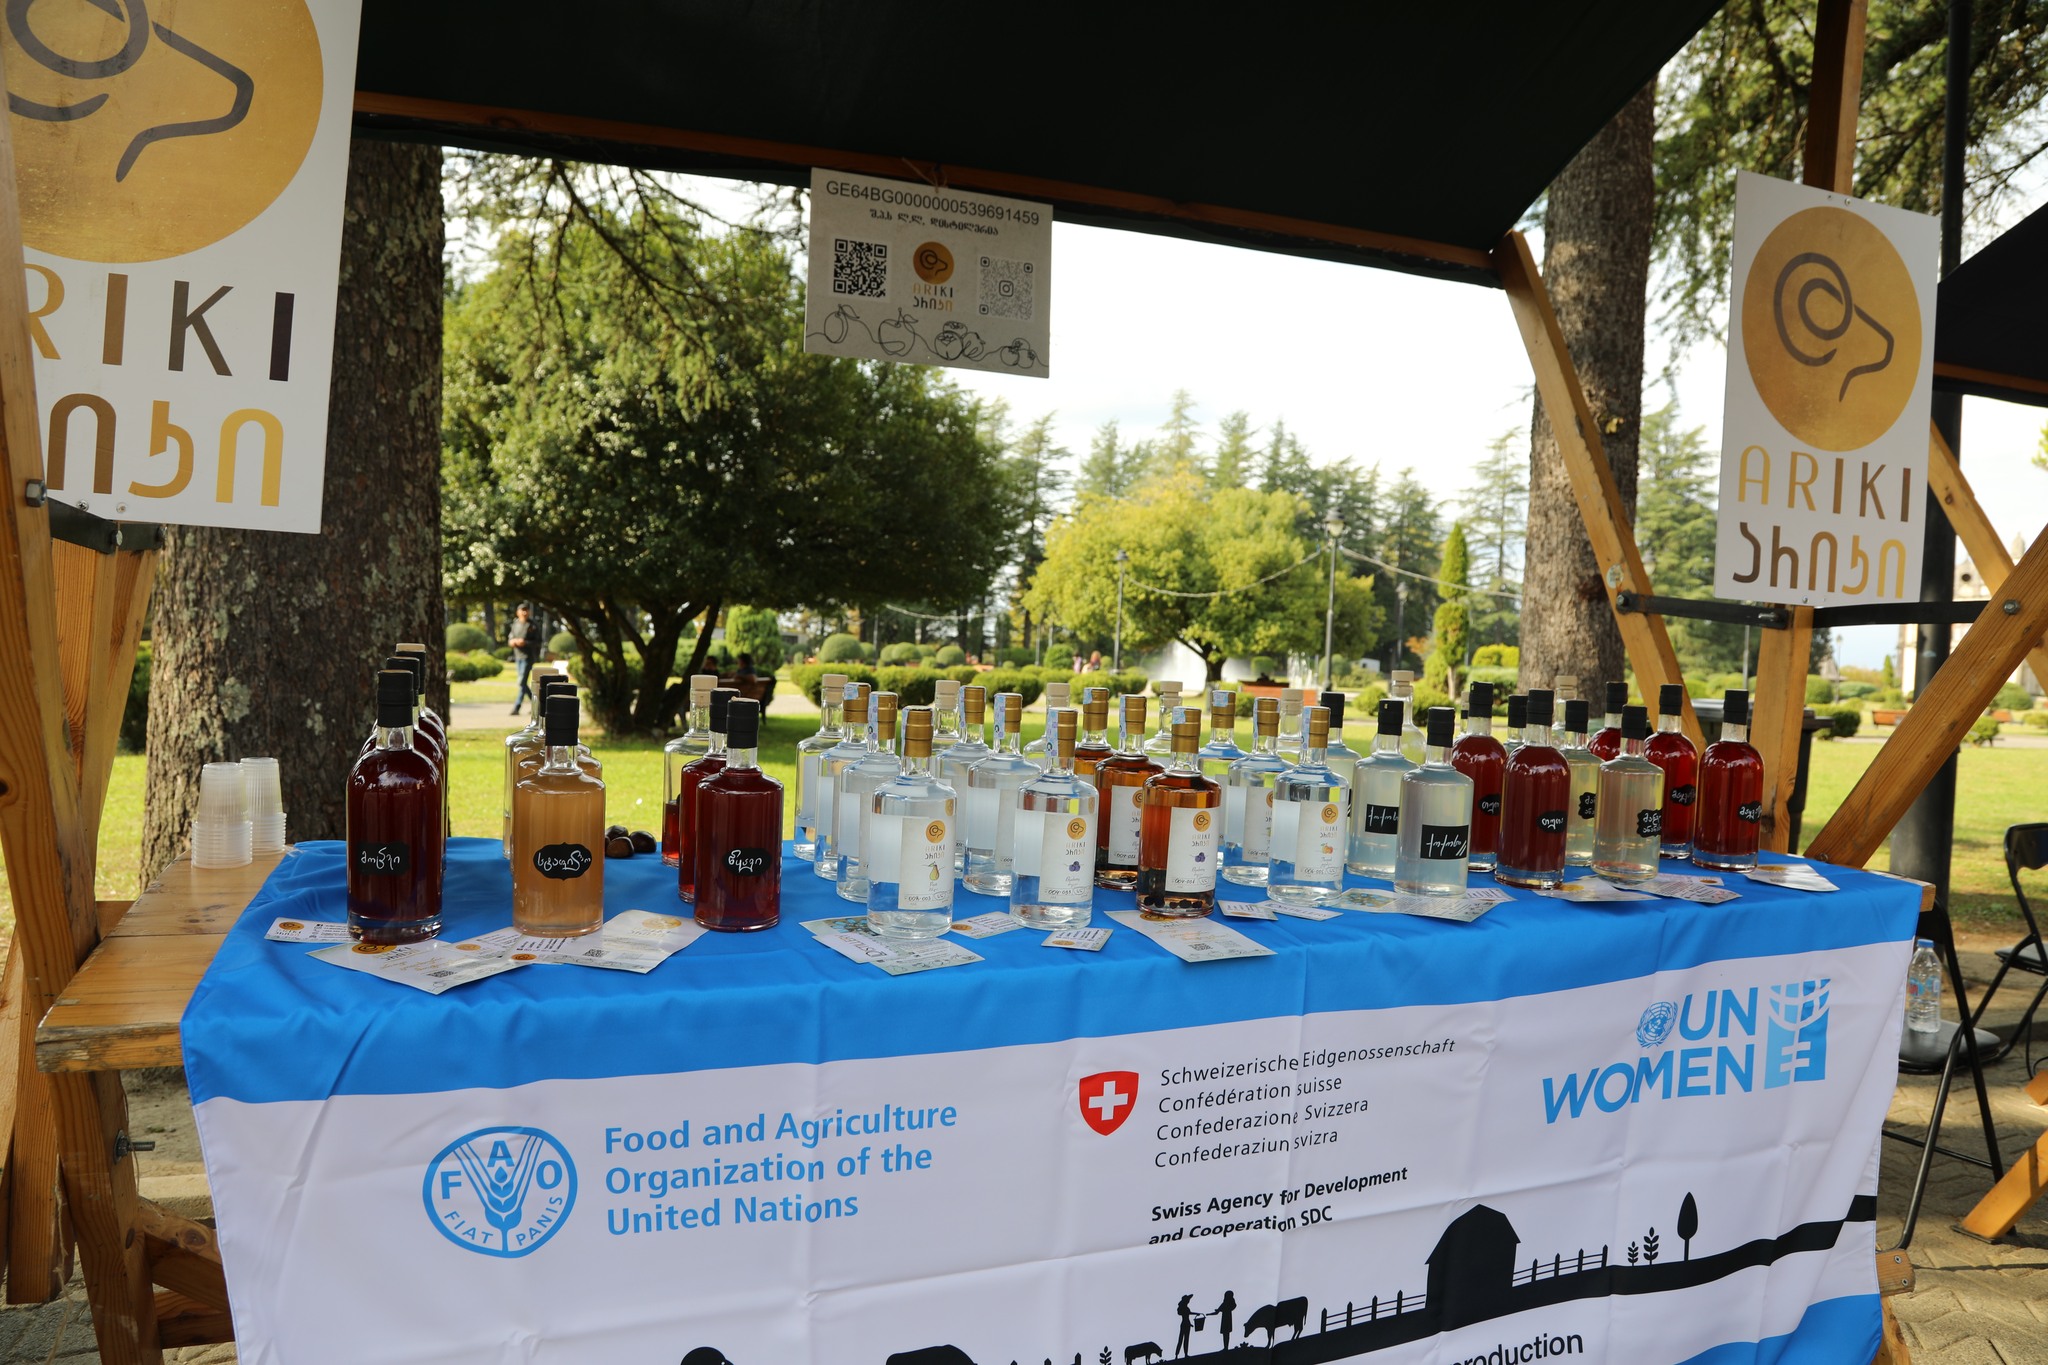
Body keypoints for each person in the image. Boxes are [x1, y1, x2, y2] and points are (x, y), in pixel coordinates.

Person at [508, 603, 542, 715]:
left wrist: (525, 642)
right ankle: (537, 705)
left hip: (528, 657)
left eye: (526, 610)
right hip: (518, 656)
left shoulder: (532, 625)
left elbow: (537, 642)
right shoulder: (515, 624)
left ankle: (517, 707)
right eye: (522, 610)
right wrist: (513, 642)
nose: (524, 612)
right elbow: (510, 638)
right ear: (517, 612)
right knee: (522, 683)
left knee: (521, 682)